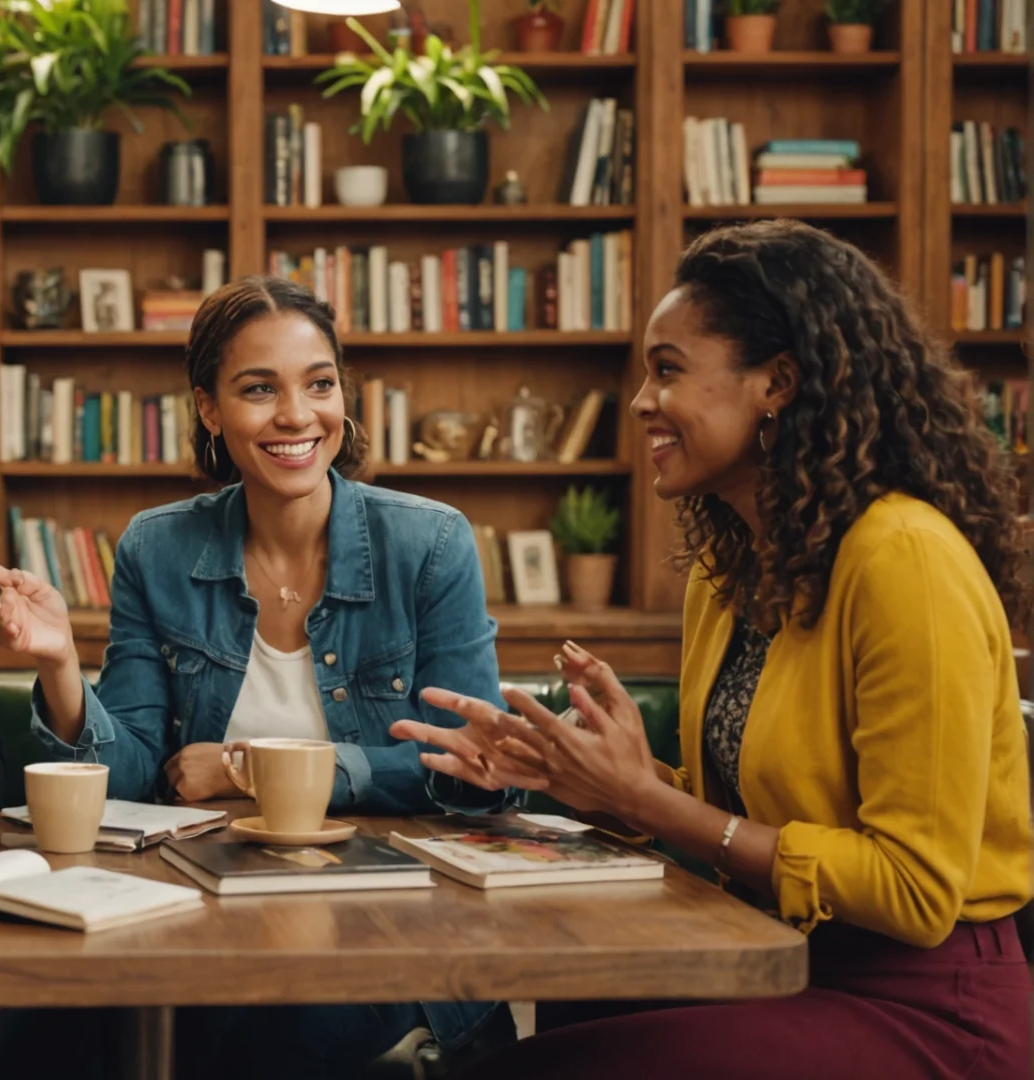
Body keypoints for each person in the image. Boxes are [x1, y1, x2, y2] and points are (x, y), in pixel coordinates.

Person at [399, 219, 1034, 1079]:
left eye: (667, 370)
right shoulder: (728, 568)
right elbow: (734, 811)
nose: (639, 403)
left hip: (923, 1002)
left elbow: (913, 892)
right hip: (755, 953)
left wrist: (651, 804)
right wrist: (563, 773)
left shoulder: (903, 561)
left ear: (778, 382)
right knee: (565, 1010)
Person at [0, 276, 516, 1079]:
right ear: (209, 409)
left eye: (318, 384)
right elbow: (127, 774)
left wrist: (245, 769)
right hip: (201, 905)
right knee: (45, 1033)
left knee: (255, 1040)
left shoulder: (428, 544)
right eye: (259, 390)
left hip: (399, 921)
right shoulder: (158, 549)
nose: (297, 416)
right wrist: (58, 664)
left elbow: (475, 766)